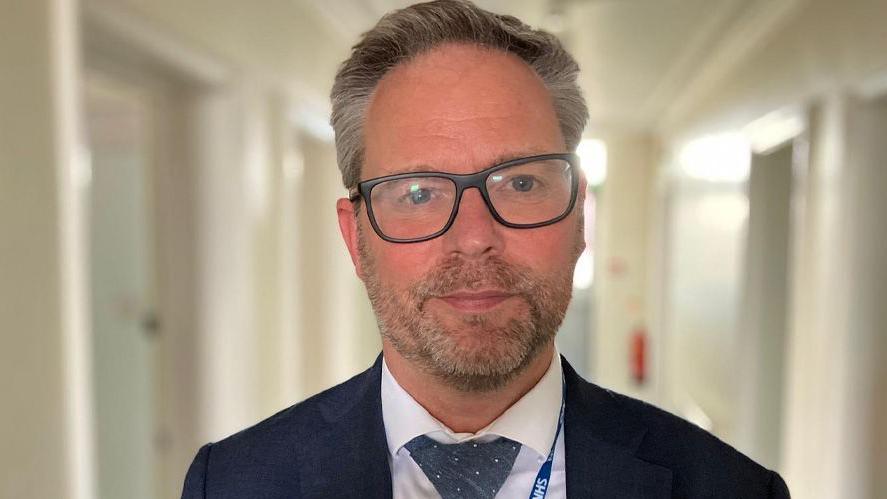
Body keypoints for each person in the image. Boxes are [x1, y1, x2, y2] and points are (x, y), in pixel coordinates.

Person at [182, 1, 790, 497]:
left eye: (521, 183)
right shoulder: (234, 484)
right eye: (417, 192)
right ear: (354, 235)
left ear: (580, 218)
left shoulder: (731, 489)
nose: (474, 237)